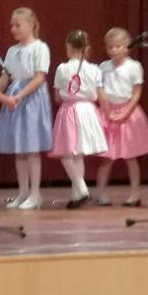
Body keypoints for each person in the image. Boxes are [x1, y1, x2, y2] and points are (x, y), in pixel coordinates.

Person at [0, 7, 52, 210]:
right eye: (12, 25)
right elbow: (5, 76)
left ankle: (36, 194)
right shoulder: (12, 51)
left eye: (18, 25)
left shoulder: (40, 48)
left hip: (31, 98)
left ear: (30, 25)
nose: (13, 29)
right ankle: (23, 192)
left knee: (31, 148)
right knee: (19, 149)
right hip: (14, 98)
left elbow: (39, 77)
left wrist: (19, 95)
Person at [94, 27, 148, 207]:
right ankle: (100, 193)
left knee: (130, 156)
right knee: (107, 157)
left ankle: (135, 194)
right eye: (110, 47)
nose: (114, 50)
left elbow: (136, 93)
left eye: (118, 46)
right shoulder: (103, 67)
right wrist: (107, 111)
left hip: (128, 113)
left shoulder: (134, 67)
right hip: (108, 112)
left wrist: (126, 112)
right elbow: (100, 91)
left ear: (127, 46)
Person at [50, 30, 107, 209]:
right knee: (78, 154)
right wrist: (107, 112)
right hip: (88, 111)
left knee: (66, 153)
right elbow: (100, 95)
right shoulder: (95, 69)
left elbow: (57, 96)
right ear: (86, 48)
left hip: (69, 110)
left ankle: (81, 189)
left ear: (68, 47)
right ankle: (76, 195)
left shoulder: (62, 68)